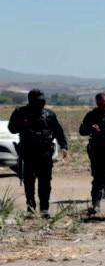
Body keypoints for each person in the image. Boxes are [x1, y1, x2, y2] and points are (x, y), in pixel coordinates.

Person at [8, 88, 68, 217]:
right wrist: (23, 123)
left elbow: (58, 131)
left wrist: (63, 146)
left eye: (42, 100)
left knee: (45, 182)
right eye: (38, 100)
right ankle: (30, 208)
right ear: (31, 101)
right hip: (28, 152)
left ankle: (44, 209)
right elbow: (11, 128)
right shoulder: (20, 112)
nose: (41, 102)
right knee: (29, 181)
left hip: (45, 152)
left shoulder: (49, 114)